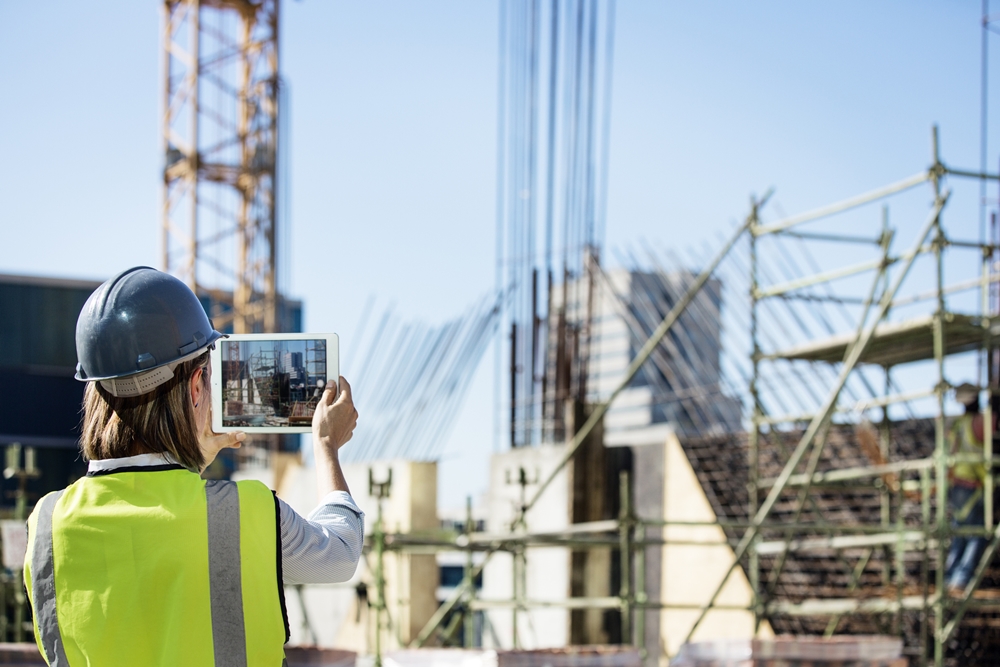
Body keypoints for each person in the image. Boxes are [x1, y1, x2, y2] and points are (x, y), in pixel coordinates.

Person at [23, 267, 363, 666]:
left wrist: (192, 459)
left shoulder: (47, 522)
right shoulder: (244, 512)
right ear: (198, 384)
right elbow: (340, 553)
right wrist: (326, 446)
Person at [944, 382, 991, 594]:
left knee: (959, 534)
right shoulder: (980, 423)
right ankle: (960, 579)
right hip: (974, 485)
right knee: (976, 534)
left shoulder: (956, 425)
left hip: (957, 485)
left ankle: (951, 578)